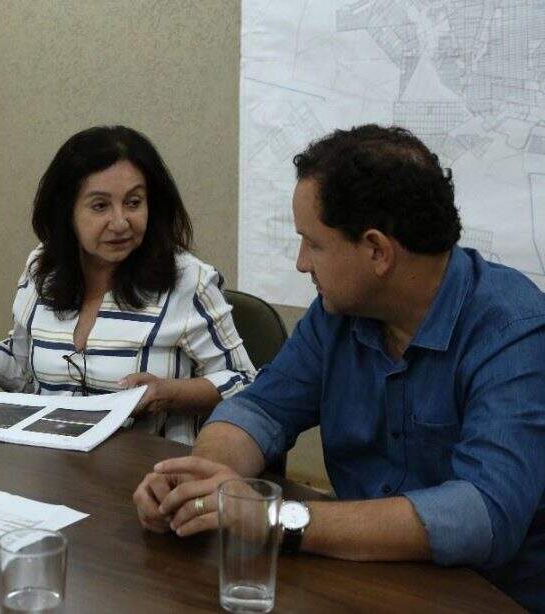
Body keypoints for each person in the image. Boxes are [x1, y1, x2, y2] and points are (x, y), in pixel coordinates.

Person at [132, 124, 545, 610]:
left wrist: (274, 518)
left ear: (376, 251)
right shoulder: (337, 317)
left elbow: (483, 516)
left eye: (313, 243)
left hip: (489, 599)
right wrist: (201, 484)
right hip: (358, 579)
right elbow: (259, 411)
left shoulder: (514, 330)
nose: (302, 264)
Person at [0, 126, 256, 443]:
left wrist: (170, 393)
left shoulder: (187, 279)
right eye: (100, 206)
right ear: (66, 211)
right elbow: (26, 374)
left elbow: (246, 382)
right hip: (53, 466)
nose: (120, 222)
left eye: (133, 203)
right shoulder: (43, 268)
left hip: (147, 477)